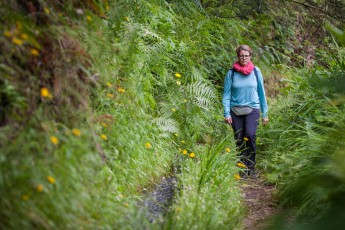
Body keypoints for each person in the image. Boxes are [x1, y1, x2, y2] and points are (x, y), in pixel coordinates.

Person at [222, 45, 269, 179]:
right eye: (242, 56)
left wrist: (265, 114)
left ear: (250, 56)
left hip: (253, 108)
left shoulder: (256, 71)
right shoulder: (231, 73)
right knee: (239, 139)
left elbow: (261, 93)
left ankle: (251, 167)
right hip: (235, 110)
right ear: (238, 56)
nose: (244, 58)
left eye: (246, 56)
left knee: (250, 134)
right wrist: (226, 113)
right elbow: (226, 95)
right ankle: (242, 169)